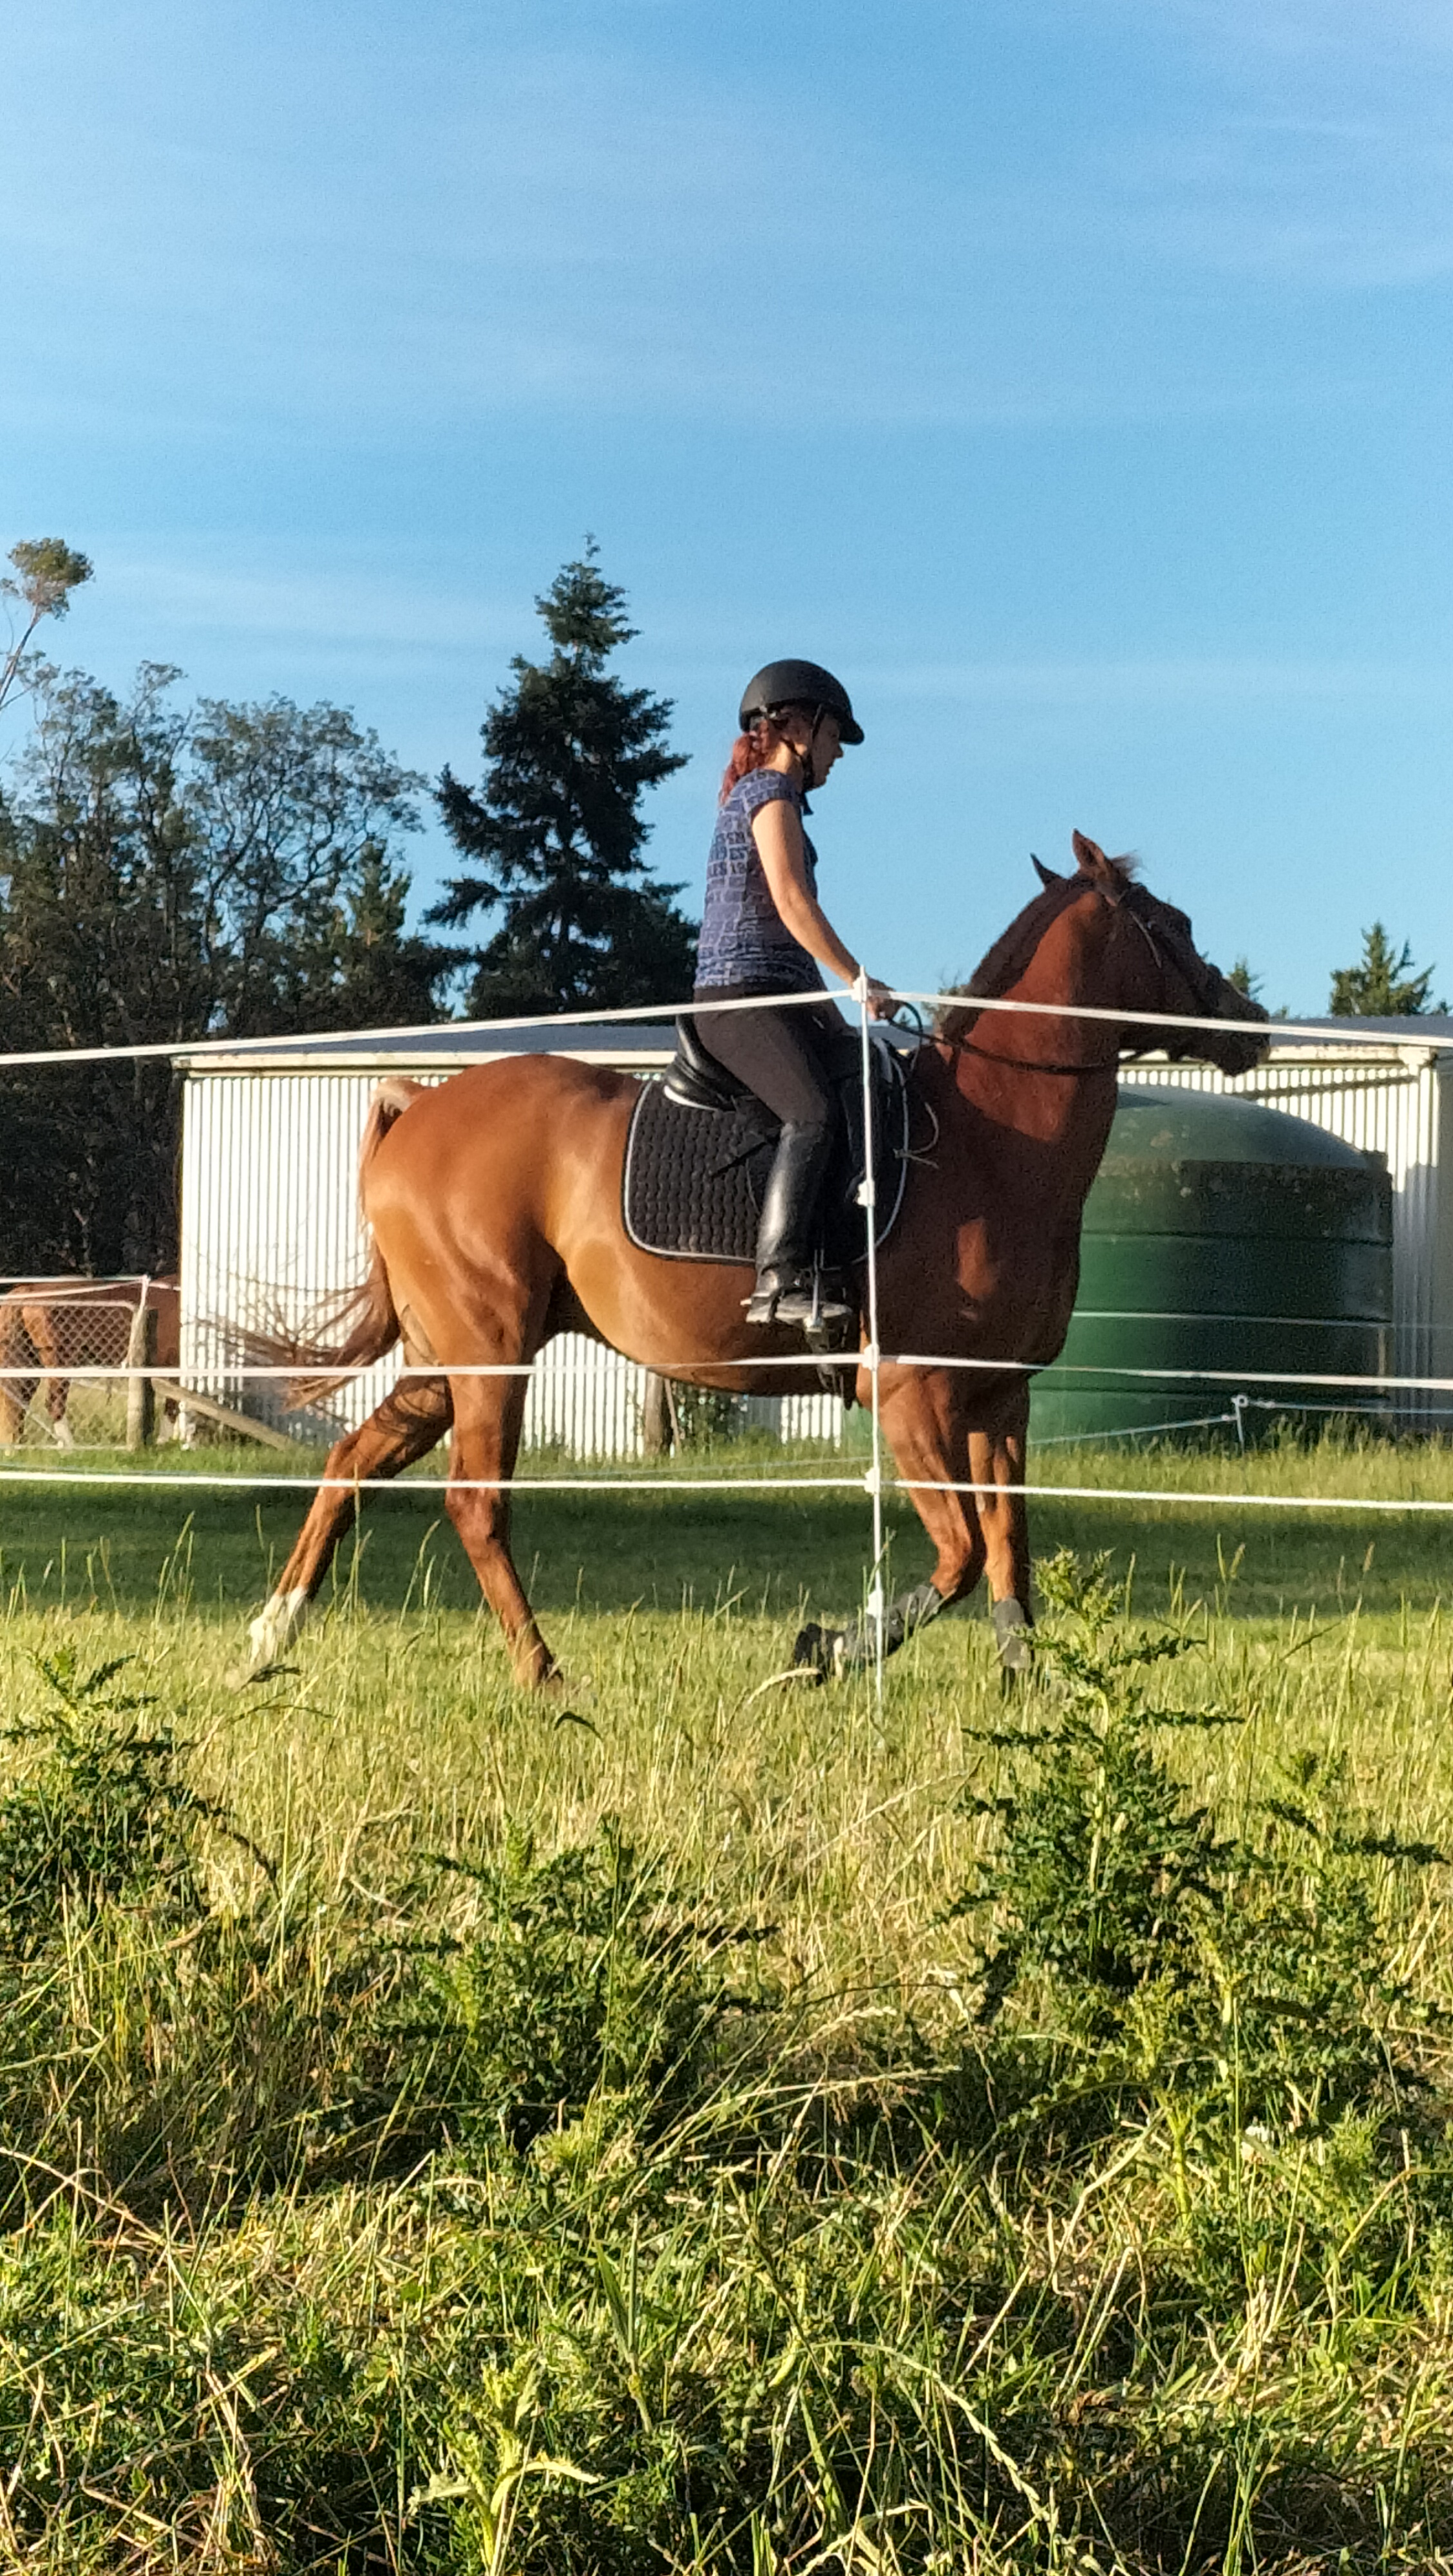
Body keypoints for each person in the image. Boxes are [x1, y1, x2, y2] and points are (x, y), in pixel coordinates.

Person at [693, 659, 894, 1327]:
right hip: (737, 998)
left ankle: (837, 1262)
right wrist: (859, 980)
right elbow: (791, 903)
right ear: (800, 727)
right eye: (836, 737)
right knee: (811, 1113)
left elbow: (791, 956)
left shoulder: (776, 801)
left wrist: (838, 1022)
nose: (838, 754)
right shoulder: (768, 795)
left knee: (855, 1078)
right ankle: (778, 1279)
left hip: (775, 994)